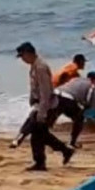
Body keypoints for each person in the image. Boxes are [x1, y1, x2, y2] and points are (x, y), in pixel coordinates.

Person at [15, 42, 74, 171]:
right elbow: (36, 87)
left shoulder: (40, 67)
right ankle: (63, 151)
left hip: (48, 106)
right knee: (40, 134)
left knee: (37, 135)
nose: (22, 59)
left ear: (29, 53)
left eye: (22, 56)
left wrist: (42, 112)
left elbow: (46, 92)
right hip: (42, 105)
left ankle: (42, 161)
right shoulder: (35, 66)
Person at [10, 71, 95, 149]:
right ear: (94, 79)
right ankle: (72, 142)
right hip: (66, 100)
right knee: (79, 118)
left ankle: (18, 138)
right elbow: (91, 102)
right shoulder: (91, 85)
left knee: (36, 116)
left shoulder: (75, 79)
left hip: (54, 95)